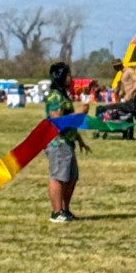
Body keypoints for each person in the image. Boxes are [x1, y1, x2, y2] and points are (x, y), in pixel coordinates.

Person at [43, 60, 88, 224]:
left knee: (72, 177)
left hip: (68, 142)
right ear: (60, 76)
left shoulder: (63, 95)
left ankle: (65, 210)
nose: (71, 78)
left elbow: (69, 123)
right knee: (58, 177)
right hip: (58, 143)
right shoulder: (55, 96)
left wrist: (80, 140)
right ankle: (56, 212)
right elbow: (58, 121)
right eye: (68, 75)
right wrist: (80, 112)